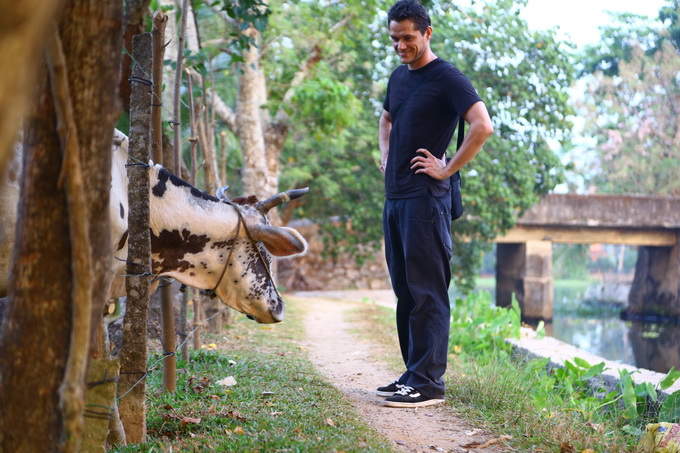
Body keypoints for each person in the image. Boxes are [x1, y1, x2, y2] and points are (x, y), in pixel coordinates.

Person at [377, 0, 493, 408]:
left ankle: (429, 383)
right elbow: (387, 118)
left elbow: (482, 126)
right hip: (395, 199)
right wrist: (386, 153)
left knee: (428, 291)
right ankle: (413, 373)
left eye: (408, 37)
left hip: (426, 200)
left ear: (427, 33)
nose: (401, 46)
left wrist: (445, 170)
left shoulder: (448, 78)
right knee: (406, 291)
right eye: (395, 38)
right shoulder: (397, 77)